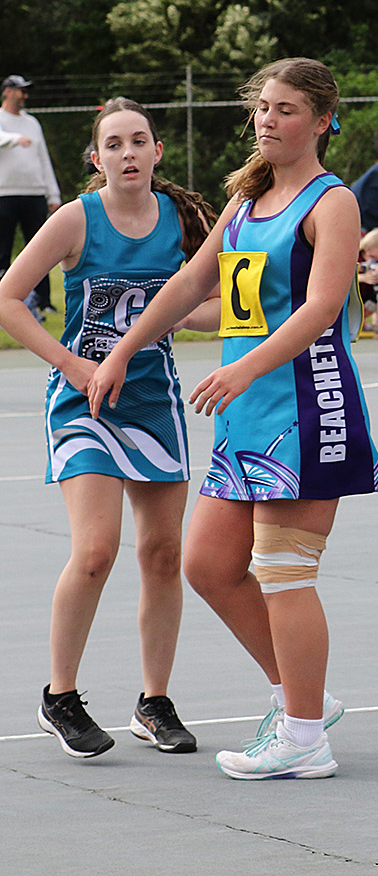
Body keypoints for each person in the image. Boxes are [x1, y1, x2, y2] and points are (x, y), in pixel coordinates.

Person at [89, 57, 378, 780]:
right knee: (207, 566)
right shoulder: (248, 198)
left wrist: (246, 363)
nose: (267, 120)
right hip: (247, 412)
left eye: (286, 110)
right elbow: (192, 280)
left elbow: (323, 308)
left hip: (305, 406)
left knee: (283, 570)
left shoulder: (330, 202)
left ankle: (304, 734)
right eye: (262, 107)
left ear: (321, 121)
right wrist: (126, 347)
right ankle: (301, 700)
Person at [0, 97, 216, 759]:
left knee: (161, 554)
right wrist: (72, 364)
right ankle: (59, 695)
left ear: (156, 152)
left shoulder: (182, 221)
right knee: (96, 550)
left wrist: (171, 316)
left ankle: (154, 702)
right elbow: (9, 297)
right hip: (83, 403)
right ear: (97, 159)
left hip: (153, 401)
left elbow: (219, 306)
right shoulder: (75, 219)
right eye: (114, 143)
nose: (128, 152)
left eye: (139, 140)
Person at [0, 74, 63, 312]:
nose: (24, 95)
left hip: (34, 194)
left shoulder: (32, 123)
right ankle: (3, 300)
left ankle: (43, 301)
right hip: (4, 194)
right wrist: (15, 139)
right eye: (20, 90)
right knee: (3, 250)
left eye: (26, 91)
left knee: (39, 249)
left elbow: (43, 159)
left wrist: (53, 194)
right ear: (7, 91)